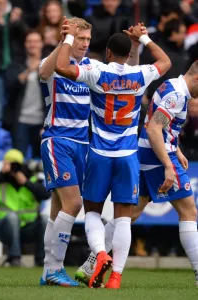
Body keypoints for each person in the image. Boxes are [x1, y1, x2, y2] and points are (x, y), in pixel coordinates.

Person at [55, 23, 171, 288]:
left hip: (99, 153)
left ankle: (101, 253)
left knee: (93, 211)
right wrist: (143, 38)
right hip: (128, 155)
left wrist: (69, 36)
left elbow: (62, 66)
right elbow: (164, 61)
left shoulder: (97, 71)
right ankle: (116, 276)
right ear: (129, 53)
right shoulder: (140, 74)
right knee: (123, 218)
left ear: (107, 53)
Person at [39, 17, 141, 287]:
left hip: (84, 145)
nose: (84, 44)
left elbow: (126, 74)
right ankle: (53, 269)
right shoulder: (57, 61)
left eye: (86, 39)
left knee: (58, 208)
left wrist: (132, 44)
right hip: (58, 138)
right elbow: (43, 73)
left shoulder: (92, 68)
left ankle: (49, 268)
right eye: (79, 39)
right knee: (74, 205)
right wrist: (65, 40)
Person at [95, 62, 198, 287]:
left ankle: (92, 263)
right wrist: (168, 166)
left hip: (144, 152)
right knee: (189, 211)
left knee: (131, 213)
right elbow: (153, 128)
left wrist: (177, 148)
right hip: (158, 156)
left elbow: (160, 124)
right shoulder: (178, 95)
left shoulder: (170, 85)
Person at [0, 149, 50, 267]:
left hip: (27, 227)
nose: (13, 168)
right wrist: (1, 174)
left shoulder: (31, 179)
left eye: (15, 165)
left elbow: (46, 194)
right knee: (12, 217)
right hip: (3, 228)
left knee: (44, 219)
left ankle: (41, 259)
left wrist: (26, 182)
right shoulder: (0, 179)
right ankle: (15, 258)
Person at [4, 30, 45, 158]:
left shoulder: (49, 65)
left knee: (41, 160)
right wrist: (28, 71)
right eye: (29, 41)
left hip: (42, 121)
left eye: (36, 41)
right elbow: (9, 88)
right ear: (25, 44)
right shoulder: (16, 65)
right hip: (21, 120)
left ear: (42, 44)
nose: (32, 45)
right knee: (18, 158)